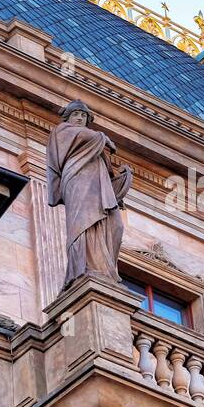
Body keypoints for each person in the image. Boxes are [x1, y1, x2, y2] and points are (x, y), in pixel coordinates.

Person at [46, 100, 132, 290]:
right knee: (83, 223)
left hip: (98, 189)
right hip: (77, 180)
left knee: (116, 226)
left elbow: (107, 178)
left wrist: (122, 180)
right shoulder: (63, 131)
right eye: (75, 114)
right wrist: (103, 137)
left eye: (83, 115)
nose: (79, 118)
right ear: (68, 117)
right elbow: (81, 135)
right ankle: (81, 268)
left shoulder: (95, 146)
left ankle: (104, 269)